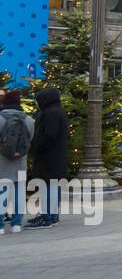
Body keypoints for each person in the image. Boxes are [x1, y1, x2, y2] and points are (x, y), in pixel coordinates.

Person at [25, 88, 70, 228]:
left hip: (48, 157)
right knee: (53, 186)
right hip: (56, 156)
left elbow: (49, 135)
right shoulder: (59, 112)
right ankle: (53, 215)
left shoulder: (50, 113)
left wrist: (37, 146)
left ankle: (46, 217)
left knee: (47, 186)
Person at [0, 90, 33, 234]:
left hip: (2, 162)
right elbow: (29, 140)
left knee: (2, 193)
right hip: (20, 162)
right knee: (19, 193)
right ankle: (17, 224)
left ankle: (0, 225)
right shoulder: (28, 120)